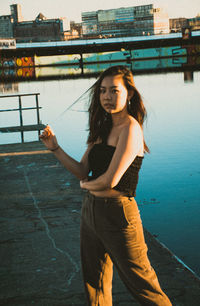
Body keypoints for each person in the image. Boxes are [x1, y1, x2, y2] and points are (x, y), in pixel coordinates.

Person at [40, 65, 172, 305]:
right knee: (95, 286)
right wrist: (55, 148)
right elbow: (82, 170)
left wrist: (84, 186)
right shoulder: (102, 128)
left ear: (129, 93)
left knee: (144, 287)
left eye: (114, 91)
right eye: (102, 91)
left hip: (118, 215)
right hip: (91, 213)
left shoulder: (131, 129)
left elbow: (111, 180)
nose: (107, 97)